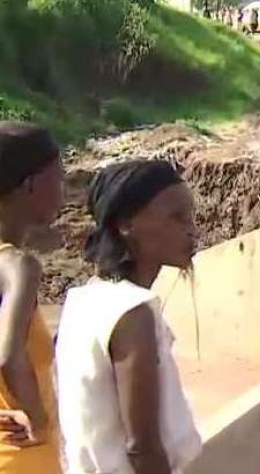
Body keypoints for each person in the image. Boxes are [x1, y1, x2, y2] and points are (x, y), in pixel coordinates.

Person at [56, 160, 202, 474]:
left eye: (190, 215)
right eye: (176, 217)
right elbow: (141, 448)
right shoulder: (132, 311)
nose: (191, 228)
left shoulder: (84, 301)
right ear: (126, 224)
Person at [0, 122, 64, 473]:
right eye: (58, 176)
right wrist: (39, 423)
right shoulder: (17, 266)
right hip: (22, 458)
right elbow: (8, 356)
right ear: (30, 185)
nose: (63, 189)